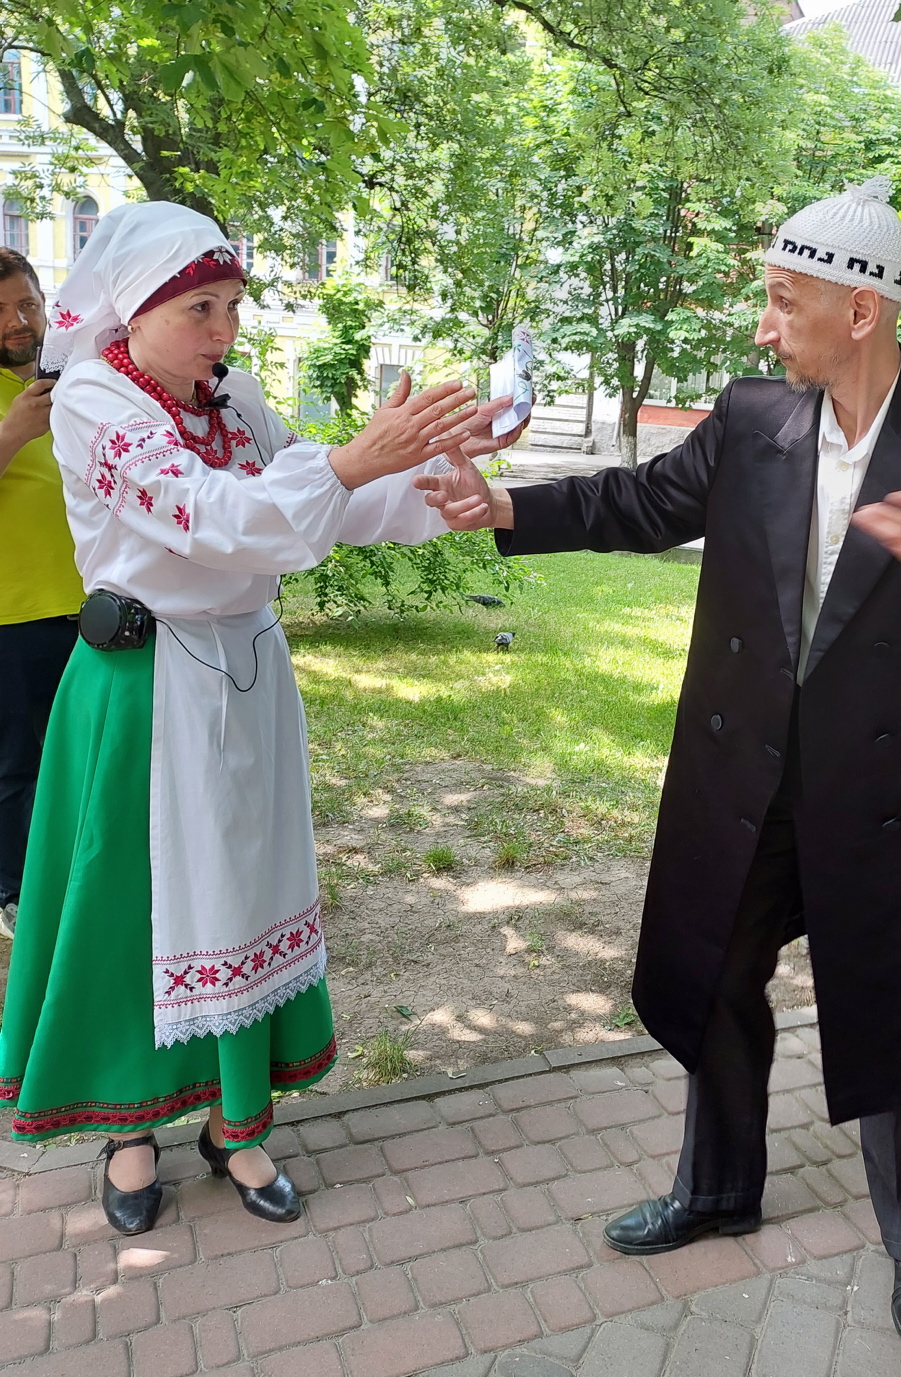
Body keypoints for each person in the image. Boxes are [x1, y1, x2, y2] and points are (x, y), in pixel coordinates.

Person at [418, 178, 901, 1359]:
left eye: (783, 303)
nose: (764, 328)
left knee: (893, 999)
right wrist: (501, 514)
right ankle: (717, 1189)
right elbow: (639, 499)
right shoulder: (753, 418)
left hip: (889, 792)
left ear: (861, 309)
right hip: (746, 773)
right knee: (714, 978)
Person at [0, 201, 521, 1237]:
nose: (224, 329)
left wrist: (431, 471)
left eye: (233, 304)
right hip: (142, 690)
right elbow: (215, 519)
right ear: (135, 311)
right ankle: (131, 1126)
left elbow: (327, 500)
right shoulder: (96, 402)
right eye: (201, 306)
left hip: (243, 677)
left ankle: (239, 1124)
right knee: (133, 903)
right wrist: (349, 464)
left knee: (241, 894)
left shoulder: (230, 399)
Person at [0, 247, 83, 941]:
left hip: (95, 611)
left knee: (84, 759)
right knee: (15, 768)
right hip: (10, 616)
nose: (17, 322)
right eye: (0, 311)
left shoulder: (79, 385)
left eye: (26, 303)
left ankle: (79, 885)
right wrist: (11, 432)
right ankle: (17, 895)